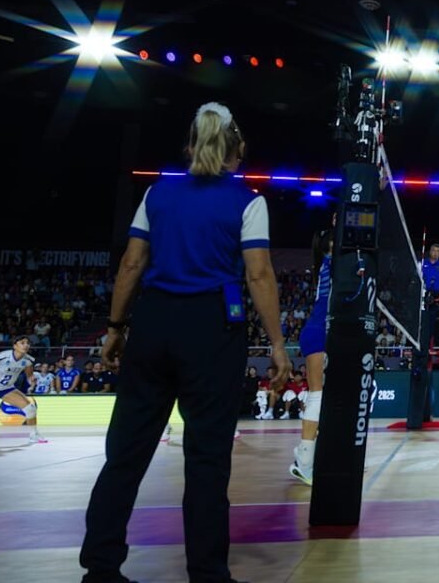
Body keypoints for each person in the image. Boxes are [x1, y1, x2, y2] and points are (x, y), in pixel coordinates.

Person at [80, 102, 290, 583]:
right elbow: (258, 274)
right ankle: (208, 573)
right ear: (236, 149)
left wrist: (115, 327)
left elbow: (132, 265)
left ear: (191, 145)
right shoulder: (248, 201)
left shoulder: (157, 193)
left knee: (126, 454)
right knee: (207, 459)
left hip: (153, 324)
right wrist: (277, 343)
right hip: (212, 330)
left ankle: (100, 567)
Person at [289, 226, 332, 486]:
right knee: (317, 395)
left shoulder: (327, 263)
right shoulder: (333, 263)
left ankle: (312, 456)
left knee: (330, 396)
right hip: (320, 331)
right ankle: (305, 463)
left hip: (323, 331)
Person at [0, 336, 46, 443]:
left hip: (5, 389)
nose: (26, 345)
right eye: (22, 343)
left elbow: (29, 375)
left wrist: (31, 380)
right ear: (15, 346)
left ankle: (34, 435)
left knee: (30, 408)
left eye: (28, 343)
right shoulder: (2, 356)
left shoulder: (28, 360)